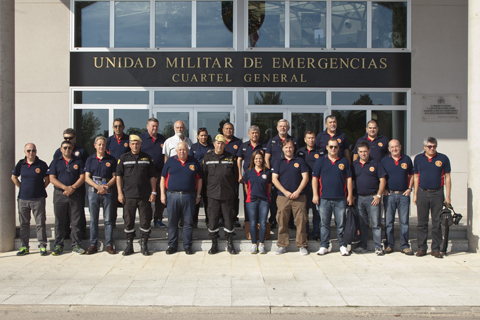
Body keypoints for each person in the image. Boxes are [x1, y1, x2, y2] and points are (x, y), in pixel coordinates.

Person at [116, 134, 157, 256]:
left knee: (145, 221)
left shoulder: (147, 158)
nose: (135, 145)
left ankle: (144, 245)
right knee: (128, 221)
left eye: (137, 143)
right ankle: (129, 246)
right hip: (128, 195)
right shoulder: (123, 158)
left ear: (140, 145)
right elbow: (118, 176)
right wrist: (119, 193)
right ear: (129, 145)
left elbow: (152, 176)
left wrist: (153, 191)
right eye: (133, 143)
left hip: (144, 195)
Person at [312, 138, 353, 256]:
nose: (333, 149)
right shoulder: (320, 161)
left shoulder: (344, 161)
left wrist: (350, 195)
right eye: (331, 147)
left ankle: (342, 245)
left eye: (335, 147)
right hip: (324, 198)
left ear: (338, 148)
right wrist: (315, 194)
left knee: (341, 224)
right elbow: (314, 178)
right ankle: (324, 245)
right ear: (327, 147)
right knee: (324, 223)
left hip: (340, 198)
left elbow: (349, 179)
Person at [161, 142, 202, 255]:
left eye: (184, 149)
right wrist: (162, 194)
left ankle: (187, 245)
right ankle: (172, 245)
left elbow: (199, 179)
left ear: (188, 151)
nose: (182, 152)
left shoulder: (194, 162)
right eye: (179, 150)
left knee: (188, 222)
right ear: (176, 151)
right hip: (172, 196)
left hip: (189, 196)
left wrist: (198, 195)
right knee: (172, 222)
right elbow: (162, 178)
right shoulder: (170, 161)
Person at [413, 137, 451, 259]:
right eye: (429, 146)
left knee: (436, 223)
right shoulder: (418, 158)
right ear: (424, 147)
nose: (432, 148)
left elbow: (447, 177)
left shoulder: (443, 158)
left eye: (434, 146)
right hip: (422, 193)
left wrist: (448, 196)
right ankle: (422, 248)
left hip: (437, 193)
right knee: (422, 223)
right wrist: (415, 194)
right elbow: (416, 177)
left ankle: (435, 249)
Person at [48, 140, 86, 255]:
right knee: (60, 221)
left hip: (75, 194)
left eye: (69, 148)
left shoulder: (78, 162)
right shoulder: (55, 162)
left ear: (72, 149)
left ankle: (76, 245)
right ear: (61, 149)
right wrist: (65, 188)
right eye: (65, 148)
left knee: (76, 221)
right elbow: (52, 179)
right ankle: (58, 245)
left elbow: (82, 177)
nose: (67, 150)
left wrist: (72, 188)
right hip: (60, 195)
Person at [272, 139, 309, 255]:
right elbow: (274, 179)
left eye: (290, 147)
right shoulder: (278, 162)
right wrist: (285, 192)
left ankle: (302, 245)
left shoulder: (300, 161)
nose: (288, 149)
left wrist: (298, 191)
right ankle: (282, 245)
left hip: (299, 196)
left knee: (301, 221)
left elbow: (306, 178)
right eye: (286, 147)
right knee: (282, 221)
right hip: (283, 197)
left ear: (294, 148)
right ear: (283, 148)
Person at [11, 143, 50, 256]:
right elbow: (13, 177)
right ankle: (24, 246)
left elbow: (47, 180)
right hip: (23, 199)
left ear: (36, 151)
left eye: (33, 150)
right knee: (24, 223)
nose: (30, 153)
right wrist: (22, 187)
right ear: (25, 152)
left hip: (38, 199)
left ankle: (42, 246)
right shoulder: (20, 164)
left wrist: (39, 189)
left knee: (40, 223)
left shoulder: (41, 164)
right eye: (28, 151)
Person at [203, 134, 238, 255]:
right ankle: (214, 243)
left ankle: (230, 243)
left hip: (227, 194)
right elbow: (204, 175)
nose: (220, 145)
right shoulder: (207, 157)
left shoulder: (230, 157)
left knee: (228, 219)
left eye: (222, 143)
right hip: (212, 194)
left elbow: (235, 176)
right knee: (213, 219)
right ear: (214, 143)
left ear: (225, 144)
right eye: (218, 142)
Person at [53, 128, 89, 240]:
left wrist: (73, 187)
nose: (68, 140)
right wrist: (65, 188)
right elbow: (55, 171)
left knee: (78, 212)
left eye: (70, 138)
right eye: (66, 138)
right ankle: (65, 233)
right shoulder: (58, 152)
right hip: (62, 190)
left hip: (77, 187)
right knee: (63, 213)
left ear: (75, 138)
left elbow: (86, 168)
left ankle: (80, 234)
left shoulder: (81, 151)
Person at [352, 141, 387, 255]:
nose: (363, 154)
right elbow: (350, 181)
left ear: (369, 151)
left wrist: (378, 195)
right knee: (362, 223)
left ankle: (378, 246)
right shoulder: (354, 165)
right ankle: (363, 245)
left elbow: (382, 180)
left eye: (365, 151)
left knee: (376, 223)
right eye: (361, 152)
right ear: (358, 152)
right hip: (359, 198)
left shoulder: (375, 163)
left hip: (373, 198)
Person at [84, 136, 117, 255]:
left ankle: (109, 244)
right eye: (99, 144)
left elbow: (115, 176)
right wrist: (98, 187)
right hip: (94, 191)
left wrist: (106, 187)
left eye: (103, 145)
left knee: (108, 220)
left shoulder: (111, 159)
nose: (101, 147)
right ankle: (93, 244)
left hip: (107, 191)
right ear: (95, 146)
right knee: (93, 220)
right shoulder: (90, 159)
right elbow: (86, 177)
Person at [381, 139, 414, 255]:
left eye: (396, 146)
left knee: (404, 222)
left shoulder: (407, 159)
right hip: (389, 195)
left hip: (403, 195)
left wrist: (410, 188)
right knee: (389, 222)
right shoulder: (384, 161)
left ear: (400, 147)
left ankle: (404, 245)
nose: (394, 149)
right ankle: (389, 245)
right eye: (392, 147)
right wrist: (383, 189)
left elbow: (412, 175)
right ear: (389, 149)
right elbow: (381, 177)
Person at [265, 119, 298, 229]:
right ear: (277, 128)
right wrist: (270, 173)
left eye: (285, 126)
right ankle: (274, 219)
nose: (283, 128)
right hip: (275, 175)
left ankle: (290, 221)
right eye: (281, 126)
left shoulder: (293, 140)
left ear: (288, 128)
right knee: (275, 199)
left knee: (291, 198)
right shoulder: (272, 141)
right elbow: (267, 157)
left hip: (289, 175)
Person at [296, 130, 324, 241]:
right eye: (309, 138)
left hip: (317, 185)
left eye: (312, 138)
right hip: (305, 186)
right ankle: (306, 232)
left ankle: (316, 232)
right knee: (304, 211)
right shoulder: (300, 152)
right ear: (305, 139)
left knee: (317, 211)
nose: (311, 140)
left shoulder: (321, 152)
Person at [139, 118, 167, 228]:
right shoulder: (141, 138)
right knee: (146, 198)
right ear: (147, 126)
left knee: (160, 197)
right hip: (145, 174)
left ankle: (158, 219)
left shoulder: (162, 139)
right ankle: (147, 219)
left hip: (159, 173)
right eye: (152, 126)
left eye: (156, 126)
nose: (154, 128)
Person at [243, 150, 271, 254]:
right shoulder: (248, 172)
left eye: (260, 158)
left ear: (262, 159)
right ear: (253, 160)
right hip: (251, 200)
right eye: (256, 158)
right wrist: (251, 194)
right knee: (253, 223)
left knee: (263, 222)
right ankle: (254, 244)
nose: (258, 160)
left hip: (264, 200)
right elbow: (246, 186)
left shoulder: (267, 172)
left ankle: (261, 244)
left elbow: (269, 186)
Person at [237, 125, 265, 224]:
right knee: (248, 199)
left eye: (256, 133)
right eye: (252, 133)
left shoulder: (263, 146)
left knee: (261, 199)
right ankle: (248, 221)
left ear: (259, 134)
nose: (254, 135)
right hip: (248, 176)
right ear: (249, 134)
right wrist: (240, 175)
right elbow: (239, 159)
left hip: (260, 176)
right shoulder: (244, 146)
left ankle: (259, 221)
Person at [106, 118, 130, 228]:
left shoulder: (128, 140)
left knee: (126, 199)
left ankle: (127, 222)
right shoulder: (109, 141)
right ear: (112, 128)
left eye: (120, 126)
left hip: (126, 175)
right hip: (112, 175)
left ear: (124, 127)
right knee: (113, 200)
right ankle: (113, 222)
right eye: (115, 126)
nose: (118, 128)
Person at [189, 128, 213, 228]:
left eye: (205, 135)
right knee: (196, 199)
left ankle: (209, 221)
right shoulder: (194, 147)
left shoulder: (212, 147)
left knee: (208, 200)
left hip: (209, 177)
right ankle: (194, 221)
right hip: (197, 177)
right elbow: (190, 160)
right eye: (201, 135)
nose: (203, 137)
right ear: (198, 136)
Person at [222, 122, 242, 228]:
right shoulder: (219, 140)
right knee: (221, 196)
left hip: (233, 175)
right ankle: (221, 218)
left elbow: (239, 159)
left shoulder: (238, 142)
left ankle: (234, 218)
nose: (229, 130)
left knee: (234, 197)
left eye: (231, 129)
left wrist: (239, 174)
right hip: (221, 175)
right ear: (223, 130)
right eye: (227, 128)